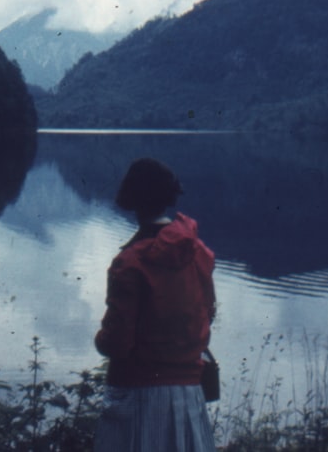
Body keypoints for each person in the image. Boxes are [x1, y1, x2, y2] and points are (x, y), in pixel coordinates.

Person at [93, 158, 217, 452]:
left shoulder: (130, 262)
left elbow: (117, 342)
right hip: (189, 389)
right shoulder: (196, 250)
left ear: (133, 198)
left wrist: (101, 340)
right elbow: (207, 314)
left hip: (139, 391)